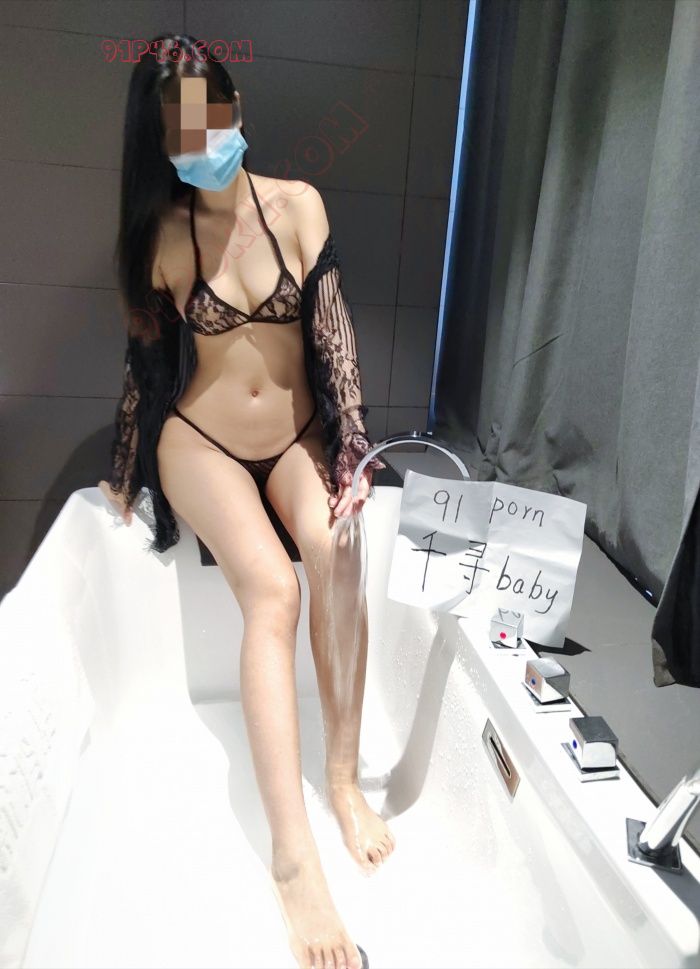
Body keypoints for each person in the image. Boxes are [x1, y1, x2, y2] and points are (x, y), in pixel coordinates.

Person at [97, 33, 392, 969]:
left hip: (297, 438)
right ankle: (293, 860)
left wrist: (352, 445)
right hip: (204, 443)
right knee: (274, 590)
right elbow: (146, 366)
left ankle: (342, 778)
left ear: (235, 109)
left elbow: (335, 335)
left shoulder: (298, 207)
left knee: (337, 553)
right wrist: (123, 465)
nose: (203, 140)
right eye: (180, 130)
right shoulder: (164, 236)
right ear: (161, 143)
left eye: (211, 116)